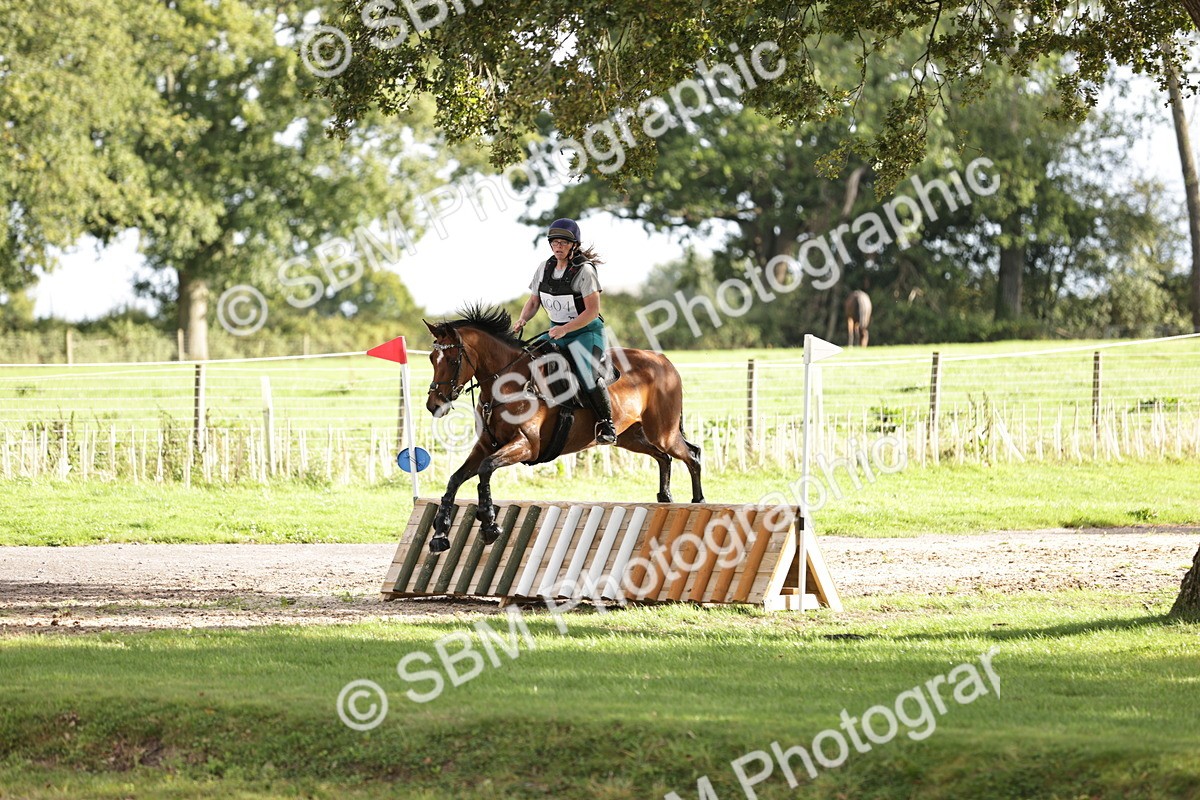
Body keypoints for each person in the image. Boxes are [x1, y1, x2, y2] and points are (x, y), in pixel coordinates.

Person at [512, 218, 618, 444]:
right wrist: (522, 319)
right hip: (557, 332)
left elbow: (591, 311)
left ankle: (607, 423)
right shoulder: (544, 268)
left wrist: (565, 329)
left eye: (563, 242)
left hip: (586, 332)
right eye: (554, 242)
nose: (558, 246)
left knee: (587, 374)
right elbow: (533, 302)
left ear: (573, 245)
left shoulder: (585, 271)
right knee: (525, 357)